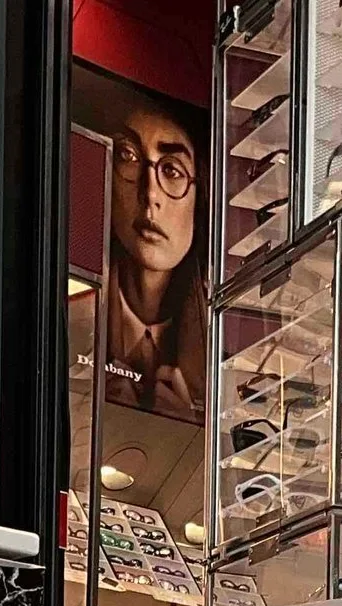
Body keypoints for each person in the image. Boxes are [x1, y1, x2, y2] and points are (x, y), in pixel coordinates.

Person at [104, 103, 205, 422]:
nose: (151, 194)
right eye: (129, 157)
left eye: (172, 170)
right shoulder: (70, 307)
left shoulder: (220, 347)